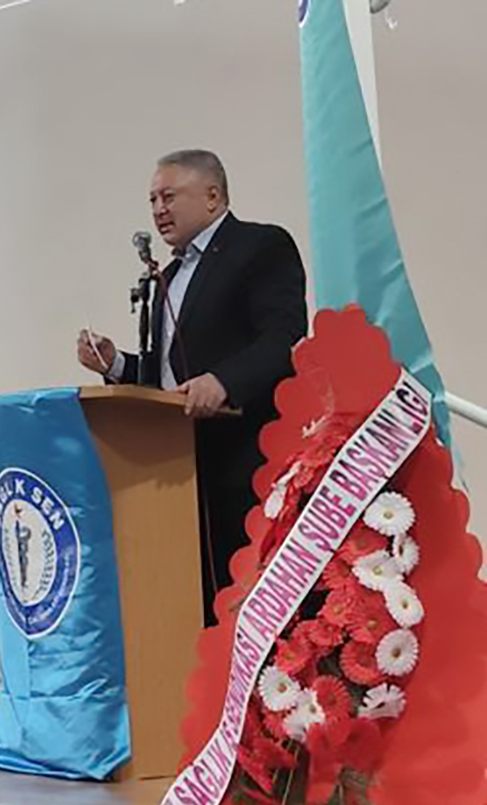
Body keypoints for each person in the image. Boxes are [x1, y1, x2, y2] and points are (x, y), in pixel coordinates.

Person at [77, 149, 308, 623]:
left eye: (169, 196)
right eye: (152, 200)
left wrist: (224, 381)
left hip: (243, 460)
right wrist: (116, 362)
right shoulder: (169, 276)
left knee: (243, 602)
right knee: (190, 603)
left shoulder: (259, 247)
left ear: (212, 196)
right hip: (177, 467)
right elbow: (169, 380)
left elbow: (283, 337)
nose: (158, 209)